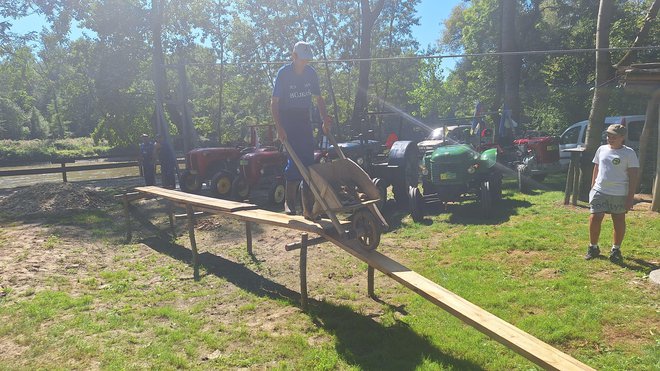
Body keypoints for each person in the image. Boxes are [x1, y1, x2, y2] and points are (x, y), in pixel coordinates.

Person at [271, 41, 332, 218]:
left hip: (305, 118)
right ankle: (289, 203)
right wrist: (279, 127)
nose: (305, 63)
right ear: (294, 56)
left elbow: (319, 98)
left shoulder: (311, 73)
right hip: (287, 118)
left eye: (307, 60)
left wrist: (324, 120)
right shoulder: (284, 73)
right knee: (294, 160)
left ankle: (308, 209)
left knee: (309, 163)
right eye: (302, 59)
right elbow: (274, 103)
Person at [585, 124, 639, 262]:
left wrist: (630, 198)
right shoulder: (601, 149)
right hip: (600, 190)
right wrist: (592, 188)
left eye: (613, 137)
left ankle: (616, 249)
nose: (610, 138)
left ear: (622, 137)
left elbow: (633, 177)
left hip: (619, 193)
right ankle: (593, 247)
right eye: (608, 136)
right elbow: (596, 168)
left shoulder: (629, 153)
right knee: (595, 217)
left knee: (618, 220)